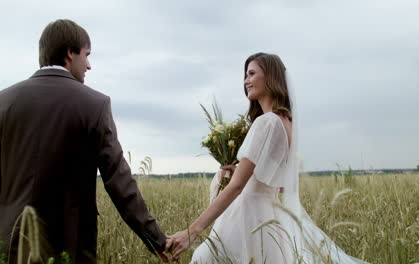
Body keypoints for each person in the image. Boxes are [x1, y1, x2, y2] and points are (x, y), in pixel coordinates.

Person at [166, 52, 369, 263]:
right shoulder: (286, 123)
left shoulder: (266, 122)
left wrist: (192, 231)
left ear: (270, 77)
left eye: (252, 73)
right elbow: (278, 182)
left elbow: (236, 186)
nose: (246, 81)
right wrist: (247, 174)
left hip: (247, 218)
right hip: (270, 219)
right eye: (245, 75)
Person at [0, 19, 168, 263]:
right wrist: (156, 239)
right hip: (69, 249)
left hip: (8, 247)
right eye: (86, 55)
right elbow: (119, 181)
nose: (89, 65)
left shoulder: (4, 102)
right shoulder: (94, 105)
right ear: (70, 53)